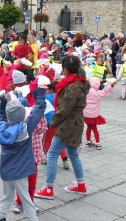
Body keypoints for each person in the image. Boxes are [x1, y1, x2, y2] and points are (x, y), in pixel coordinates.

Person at [35, 55, 90, 200]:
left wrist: (51, 125)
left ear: (65, 70)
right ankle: (81, 184)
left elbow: (63, 110)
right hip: (76, 122)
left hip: (68, 124)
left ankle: (48, 188)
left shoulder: (72, 86)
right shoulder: (78, 81)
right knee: (73, 154)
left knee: (52, 154)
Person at [0, 88, 46, 221]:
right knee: (26, 198)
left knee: (7, 196)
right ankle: (32, 218)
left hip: (6, 171)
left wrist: (2, 103)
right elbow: (38, 111)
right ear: (23, 115)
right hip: (20, 172)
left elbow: (0, 115)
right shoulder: (26, 129)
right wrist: (40, 95)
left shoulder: (1, 127)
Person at [84, 77, 116, 150]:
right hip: (94, 114)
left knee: (88, 127)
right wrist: (111, 85)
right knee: (94, 128)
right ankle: (98, 143)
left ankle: (88, 141)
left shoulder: (85, 91)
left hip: (86, 114)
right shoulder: (98, 93)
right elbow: (106, 91)